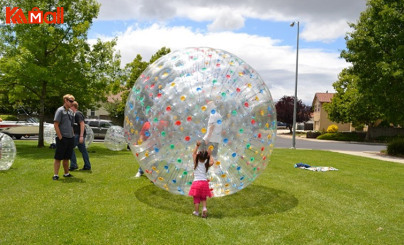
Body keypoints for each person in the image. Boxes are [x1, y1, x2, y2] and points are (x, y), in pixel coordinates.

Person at [53, 94, 75, 180]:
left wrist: (72, 135)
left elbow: (71, 125)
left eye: (73, 102)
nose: (72, 103)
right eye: (70, 101)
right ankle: (56, 175)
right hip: (62, 138)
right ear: (65, 100)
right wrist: (60, 137)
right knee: (58, 157)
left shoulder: (71, 112)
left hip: (70, 138)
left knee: (67, 157)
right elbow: (56, 124)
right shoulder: (60, 111)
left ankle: (66, 173)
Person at [188, 141, 214, 218]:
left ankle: (196, 212)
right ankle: (204, 208)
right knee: (203, 197)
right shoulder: (206, 163)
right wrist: (210, 155)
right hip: (204, 183)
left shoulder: (196, 162)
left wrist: (197, 145)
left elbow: (193, 153)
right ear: (206, 157)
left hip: (196, 183)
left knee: (196, 198)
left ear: (198, 156)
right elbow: (212, 162)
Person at [69, 101, 91, 171]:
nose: (69, 108)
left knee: (69, 148)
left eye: (70, 106)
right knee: (83, 150)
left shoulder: (78, 114)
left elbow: (82, 124)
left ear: (73, 107)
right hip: (76, 135)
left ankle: (73, 165)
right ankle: (87, 166)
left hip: (78, 135)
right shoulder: (73, 115)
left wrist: (81, 136)